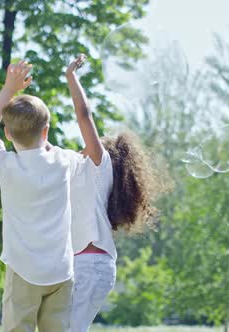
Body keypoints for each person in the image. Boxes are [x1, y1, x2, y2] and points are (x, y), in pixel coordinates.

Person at [0, 59, 92, 331]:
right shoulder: (63, 161)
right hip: (61, 271)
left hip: (23, 270)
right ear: (46, 131)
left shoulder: (7, 167)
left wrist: (8, 89)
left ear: (7, 133)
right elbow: (82, 152)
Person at [66, 55, 166, 331]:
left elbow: (84, 117)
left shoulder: (100, 166)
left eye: (90, 144)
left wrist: (71, 77)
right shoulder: (80, 177)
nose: (83, 146)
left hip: (89, 267)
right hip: (90, 266)